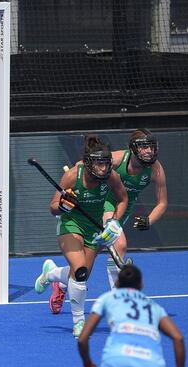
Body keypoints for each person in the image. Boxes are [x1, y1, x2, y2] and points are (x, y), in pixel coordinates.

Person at [46, 129, 168, 311]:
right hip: (104, 201)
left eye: (150, 146)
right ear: (133, 149)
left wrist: (149, 220)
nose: (148, 151)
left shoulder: (156, 169)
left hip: (122, 205)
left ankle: (56, 278)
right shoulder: (118, 159)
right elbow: (87, 163)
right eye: (143, 147)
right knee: (119, 246)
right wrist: (75, 181)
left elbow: (162, 203)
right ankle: (117, 304)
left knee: (83, 272)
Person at [33, 135, 128, 337]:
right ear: (88, 163)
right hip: (70, 224)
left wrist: (113, 221)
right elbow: (52, 208)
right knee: (80, 271)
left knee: (79, 277)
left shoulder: (111, 177)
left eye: (106, 163)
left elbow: (122, 199)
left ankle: (51, 274)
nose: (104, 168)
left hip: (93, 229)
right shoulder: (72, 177)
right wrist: (64, 206)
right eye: (99, 164)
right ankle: (79, 323)